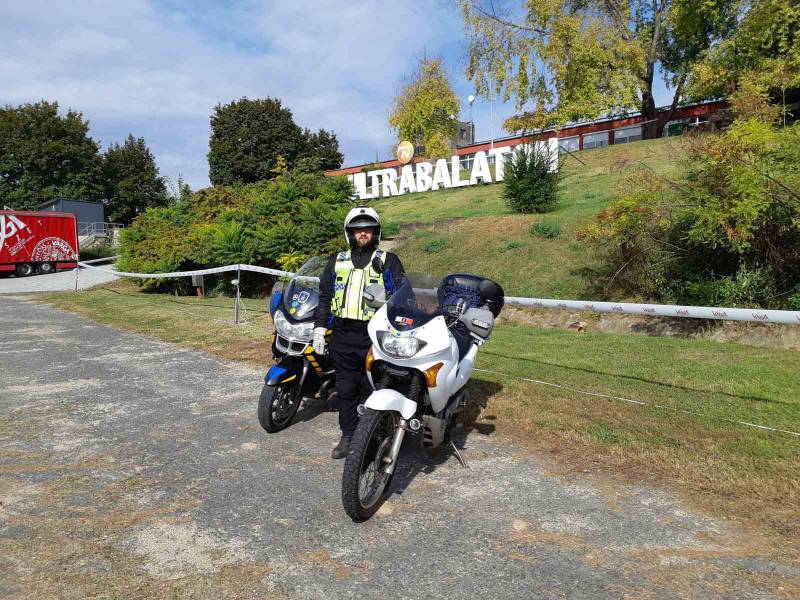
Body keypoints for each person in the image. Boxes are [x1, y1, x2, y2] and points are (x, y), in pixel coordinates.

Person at [314, 206, 405, 459]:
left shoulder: (388, 260)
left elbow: (401, 297)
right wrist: (319, 328)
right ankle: (348, 435)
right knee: (345, 389)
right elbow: (325, 296)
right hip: (342, 333)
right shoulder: (337, 260)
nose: (362, 233)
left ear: (376, 232)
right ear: (349, 233)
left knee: (374, 388)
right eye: (357, 229)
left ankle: (376, 436)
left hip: (375, 335)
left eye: (368, 229)